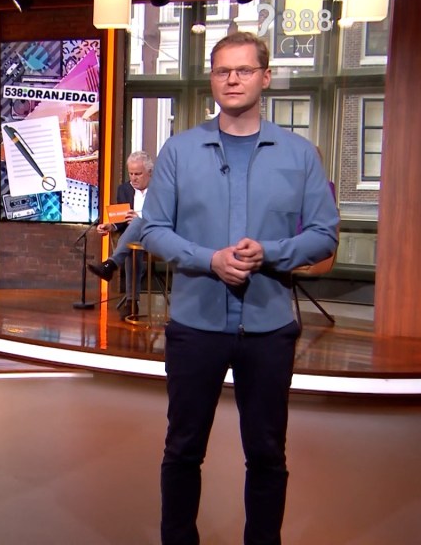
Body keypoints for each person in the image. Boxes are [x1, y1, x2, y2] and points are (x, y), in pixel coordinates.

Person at [140, 32, 339, 545]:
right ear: (212, 80)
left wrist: (269, 252)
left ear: (265, 77)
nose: (232, 79)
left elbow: (324, 235)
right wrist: (208, 259)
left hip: (269, 329)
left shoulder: (300, 155)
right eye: (222, 71)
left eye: (244, 70)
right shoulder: (179, 151)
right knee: (183, 449)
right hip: (195, 326)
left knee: (268, 454)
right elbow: (154, 228)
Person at [88, 150, 153, 315]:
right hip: (134, 239)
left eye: (138, 174)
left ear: (150, 173)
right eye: (131, 173)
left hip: (155, 235)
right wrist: (112, 226)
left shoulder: (161, 190)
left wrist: (141, 219)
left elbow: (167, 216)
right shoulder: (124, 189)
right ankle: (132, 303)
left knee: (137, 223)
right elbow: (121, 219)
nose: (133, 178)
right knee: (132, 247)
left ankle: (111, 264)